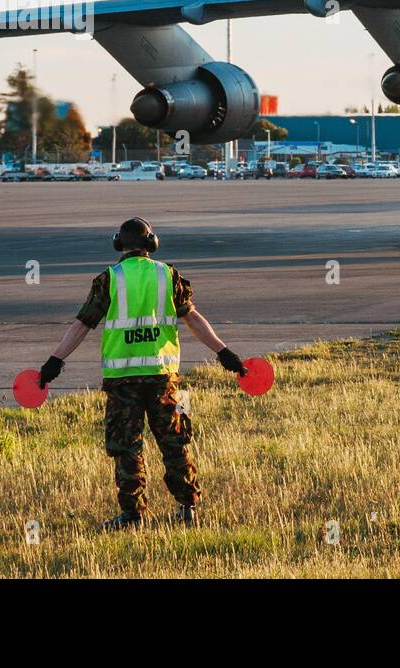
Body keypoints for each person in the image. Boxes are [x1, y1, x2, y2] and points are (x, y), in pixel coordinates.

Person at [35, 217, 248, 530]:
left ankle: (133, 515)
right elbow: (193, 319)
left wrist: (54, 361)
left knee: (126, 447)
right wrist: (224, 353)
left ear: (118, 244)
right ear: (152, 243)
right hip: (164, 378)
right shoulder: (167, 275)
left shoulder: (110, 279)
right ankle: (188, 508)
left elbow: (82, 324)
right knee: (175, 442)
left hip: (123, 381)